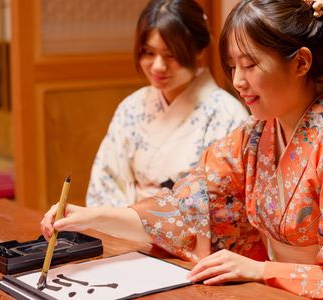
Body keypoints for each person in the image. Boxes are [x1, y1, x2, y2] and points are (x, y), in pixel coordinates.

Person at [43, 0, 323, 298]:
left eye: (250, 65)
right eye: (232, 66)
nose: (238, 81)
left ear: (301, 63)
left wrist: (257, 269)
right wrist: (89, 216)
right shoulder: (251, 137)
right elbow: (188, 208)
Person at [86, 0, 249, 207]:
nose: (158, 66)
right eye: (148, 52)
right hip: (126, 232)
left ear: (198, 50)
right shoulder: (132, 107)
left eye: (170, 55)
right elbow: (105, 185)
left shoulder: (227, 115)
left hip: (192, 236)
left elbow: (226, 204)